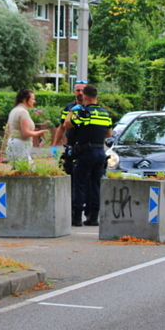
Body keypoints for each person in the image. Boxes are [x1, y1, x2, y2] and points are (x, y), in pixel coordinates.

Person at [64, 84, 113, 227]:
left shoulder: (84, 112)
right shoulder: (105, 113)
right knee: (96, 185)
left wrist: (72, 112)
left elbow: (67, 124)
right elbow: (109, 134)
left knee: (80, 185)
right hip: (100, 152)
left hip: (85, 152)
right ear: (96, 96)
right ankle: (93, 217)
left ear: (85, 97)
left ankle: (77, 218)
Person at [0, 89, 49, 166]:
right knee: (29, 171)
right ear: (25, 99)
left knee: (19, 170)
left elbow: (7, 131)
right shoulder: (23, 112)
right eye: (33, 99)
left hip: (12, 144)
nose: (34, 101)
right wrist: (40, 133)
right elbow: (26, 133)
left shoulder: (14, 110)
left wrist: (3, 150)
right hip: (20, 145)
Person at [51, 80, 87, 174]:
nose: (80, 93)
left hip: (85, 148)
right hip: (71, 146)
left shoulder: (90, 107)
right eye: (78, 90)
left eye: (83, 90)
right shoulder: (69, 107)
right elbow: (61, 127)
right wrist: (54, 145)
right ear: (74, 92)